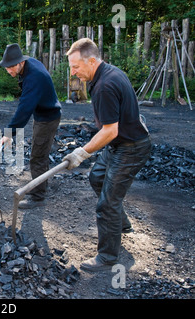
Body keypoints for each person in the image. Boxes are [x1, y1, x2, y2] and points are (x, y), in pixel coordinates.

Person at [64, 38, 151, 272]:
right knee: (97, 177)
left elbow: (109, 130)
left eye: (76, 67)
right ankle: (121, 224)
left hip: (130, 147)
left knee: (107, 204)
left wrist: (81, 153)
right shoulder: (106, 73)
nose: (73, 72)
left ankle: (107, 257)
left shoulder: (104, 86)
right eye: (71, 67)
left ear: (91, 61)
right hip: (120, 143)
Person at [0, 43, 61, 209]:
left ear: (20, 63)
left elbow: (24, 108)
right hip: (43, 114)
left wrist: (9, 133)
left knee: (37, 156)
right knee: (38, 151)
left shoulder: (34, 77)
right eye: (6, 67)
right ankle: (42, 185)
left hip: (47, 118)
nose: (9, 71)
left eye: (11, 67)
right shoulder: (29, 64)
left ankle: (38, 197)